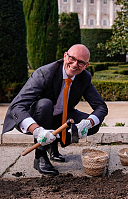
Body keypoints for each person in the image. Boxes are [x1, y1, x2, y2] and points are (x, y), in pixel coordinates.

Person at [2, 44, 108, 175]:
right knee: (45, 104)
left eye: (81, 62)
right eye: (72, 58)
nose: (75, 65)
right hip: (37, 116)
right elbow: (16, 106)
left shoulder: (84, 77)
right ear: (65, 56)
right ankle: (40, 155)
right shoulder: (44, 73)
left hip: (60, 116)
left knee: (94, 125)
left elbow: (101, 107)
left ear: (86, 65)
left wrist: (88, 123)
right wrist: (37, 130)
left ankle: (53, 146)